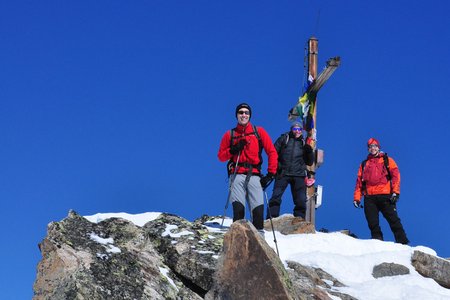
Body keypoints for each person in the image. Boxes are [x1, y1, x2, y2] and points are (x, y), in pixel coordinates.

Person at [218, 103, 278, 233]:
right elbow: (221, 156)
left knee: (258, 213)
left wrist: (271, 174)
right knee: (238, 211)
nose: (243, 115)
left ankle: (259, 246)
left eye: (246, 112)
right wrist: (233, 149)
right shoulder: (230, 134)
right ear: (236, 115)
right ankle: (238, 244)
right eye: (241, 112)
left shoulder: (259, 132)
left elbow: (272, 152)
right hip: (237, 174)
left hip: (255, 175)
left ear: (250, 115)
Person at [353, 138, 409, 244]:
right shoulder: (364, 164)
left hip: (385, 195)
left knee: (393, 220)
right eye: (370, 147)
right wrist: (357, 198)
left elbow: (396, 176)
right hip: (369, 197)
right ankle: (378, 242)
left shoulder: (387, 160)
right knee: (372, 222)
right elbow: (359, 182)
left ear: (378, 147)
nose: (372, 148)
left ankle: (403, 243)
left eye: (374, 146)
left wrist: (396, 192)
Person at [266, 122, 314, 219]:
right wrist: (277, 166)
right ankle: (271, 218)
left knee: (300, 199)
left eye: (299, 129)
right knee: (276, 196)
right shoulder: (284, 138)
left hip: (299, 174)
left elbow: (310, 162)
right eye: (295, 129)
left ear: (301, 131)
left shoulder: (304, 143)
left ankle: (299, 219)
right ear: (291, 130)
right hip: (283, 172)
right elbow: (273, 152)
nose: (297, 131)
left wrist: (309, 152)